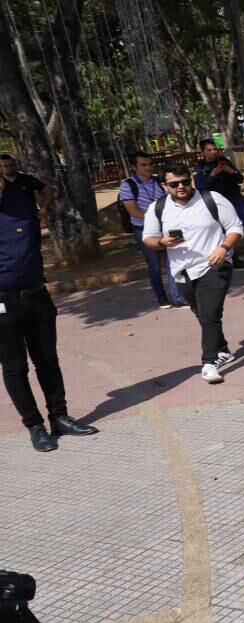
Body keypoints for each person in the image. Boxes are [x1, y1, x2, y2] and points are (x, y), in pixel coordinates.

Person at [0, 154, 99, 451]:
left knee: (48, 361)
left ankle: (59, 416)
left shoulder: (22, 194)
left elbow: (49, 191)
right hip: (2, 305)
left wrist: (42, 207)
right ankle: (35, 426)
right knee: (16, 369)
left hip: (36, 294)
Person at [142, 162, 244, 384]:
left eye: (185, 182)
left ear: (191, 180)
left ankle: (209, 363)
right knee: (201, 312)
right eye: (174, 184)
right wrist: (162, 242)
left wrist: (223, 248)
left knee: (210, 314)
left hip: (215, 265)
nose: (181, 186)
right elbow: (148, 238)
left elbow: (236, 227)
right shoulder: (157, 208)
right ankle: (223, 350)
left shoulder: (212, 199)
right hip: (181, 271)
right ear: (164, 186)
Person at [120, 151, 185, 307]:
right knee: (155, 265)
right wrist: (155, 220)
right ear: (133, 167)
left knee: (174, 260)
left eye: (150, 164)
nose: (148, 168)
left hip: (166, 227)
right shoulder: (127, 185)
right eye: (143, 165)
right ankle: (161, 297)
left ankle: (178, 297)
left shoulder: (158, 181)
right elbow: (133, 211)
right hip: (143, 229)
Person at [195, 139, 244, 267]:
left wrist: (231, 171)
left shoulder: (224, 161)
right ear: (203, 152)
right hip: (217, 203)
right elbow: (201, 187)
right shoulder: (200, 167)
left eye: (214, 149)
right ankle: (234, 260)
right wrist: (212, 175)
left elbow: (240, 178)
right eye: (209, 150)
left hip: (235, 198)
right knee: (225, 232)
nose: (213, 152)